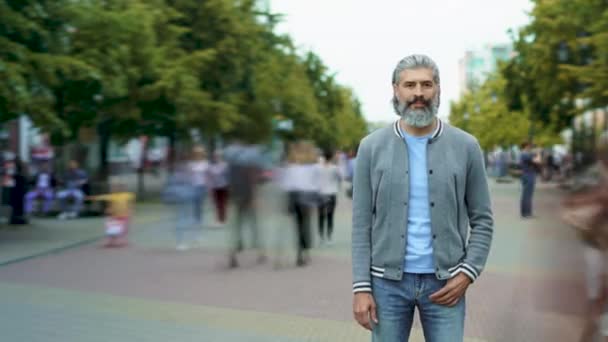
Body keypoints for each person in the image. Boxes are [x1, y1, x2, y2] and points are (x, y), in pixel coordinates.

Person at [351, 54, 494, 342]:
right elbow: (361, 224)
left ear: (438, 89)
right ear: (395, 90)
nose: (418, 93)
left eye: (427, 84)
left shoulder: (466, 146)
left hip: (446, 284)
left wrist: (468, 273)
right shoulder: (371, 147)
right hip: (386, 285)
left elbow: (483, 220)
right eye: (410, 85)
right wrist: (361, 287)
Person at [88, 183, 135, 248]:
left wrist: (130, 212)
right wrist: (93, 198)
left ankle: (123, 240)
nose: (116, 189)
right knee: (112, 229)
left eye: (118, 188)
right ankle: (111, 241)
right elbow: (101, 197)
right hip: (114, 216)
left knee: (124, 229)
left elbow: (130, 204)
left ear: (123, 189)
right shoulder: (112, 196)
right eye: (114, 188)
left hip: (124, 215)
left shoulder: (127, 195)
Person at [317, 151, 341, 245]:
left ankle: (321, 237)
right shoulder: (334, 168)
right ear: (331, 157)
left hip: (320, 193)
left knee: (320, 216)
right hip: (331, 193)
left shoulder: (318, 168)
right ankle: (329, 237)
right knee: (330, 216)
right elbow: (339, 178)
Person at [519, 142, 541, 218]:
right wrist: (538, 153)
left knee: (526, 194)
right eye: (529, 147)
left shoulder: (524, 154)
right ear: (526, 146)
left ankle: (525, 212)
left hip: (526, 175)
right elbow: (538, 161)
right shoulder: (525, 154)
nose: (530, 148)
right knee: (528, 195)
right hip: (529, 175)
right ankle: (527, 213)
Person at [208, 151, 229, 226]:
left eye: (218, 156)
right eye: (215, 157)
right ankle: (219, 219)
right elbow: (209, 178)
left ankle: (223, 219)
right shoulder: (211, 166)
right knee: (217, 204)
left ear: (220, 157)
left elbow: (228, 176)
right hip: (215, 187)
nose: (216, 158)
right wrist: (209, 187)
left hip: (224, 186)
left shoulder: (225, 165)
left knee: (223, 203)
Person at [190, 146, 209, 226]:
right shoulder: (191, 164)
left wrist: (208, 186)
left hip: (202, 185)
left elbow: (208, 175)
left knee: (200, 203)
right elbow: (188, 175)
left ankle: (199, 218)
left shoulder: (205, 163)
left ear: (202, 154)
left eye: (199, 153)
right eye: (196, 154)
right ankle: (196, 219)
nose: (198, 155)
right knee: (195, 203)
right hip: (193, 185)